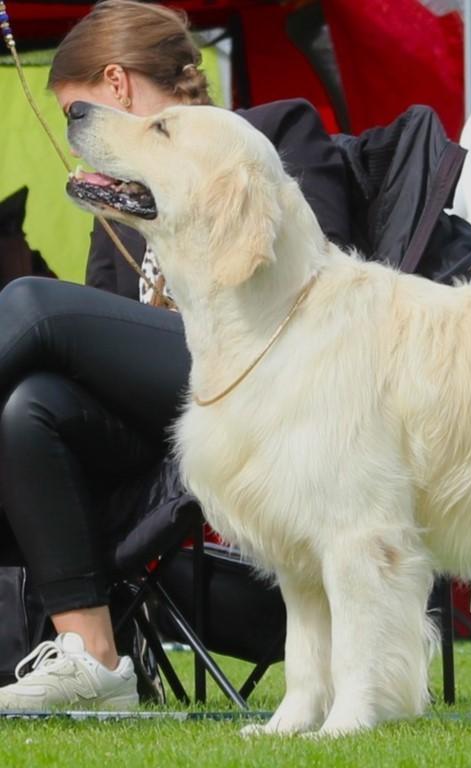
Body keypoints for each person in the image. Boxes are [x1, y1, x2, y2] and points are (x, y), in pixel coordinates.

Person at [0, 0, 357, 709]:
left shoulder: (271, 134)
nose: (81, 143)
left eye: (79, 115)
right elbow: (101, 331)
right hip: (178, 415)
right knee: (27, 407)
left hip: (277, 367)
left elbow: (306, 277)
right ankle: (93, 658)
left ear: (118, 87)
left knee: (29, 305)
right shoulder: (123, 199)